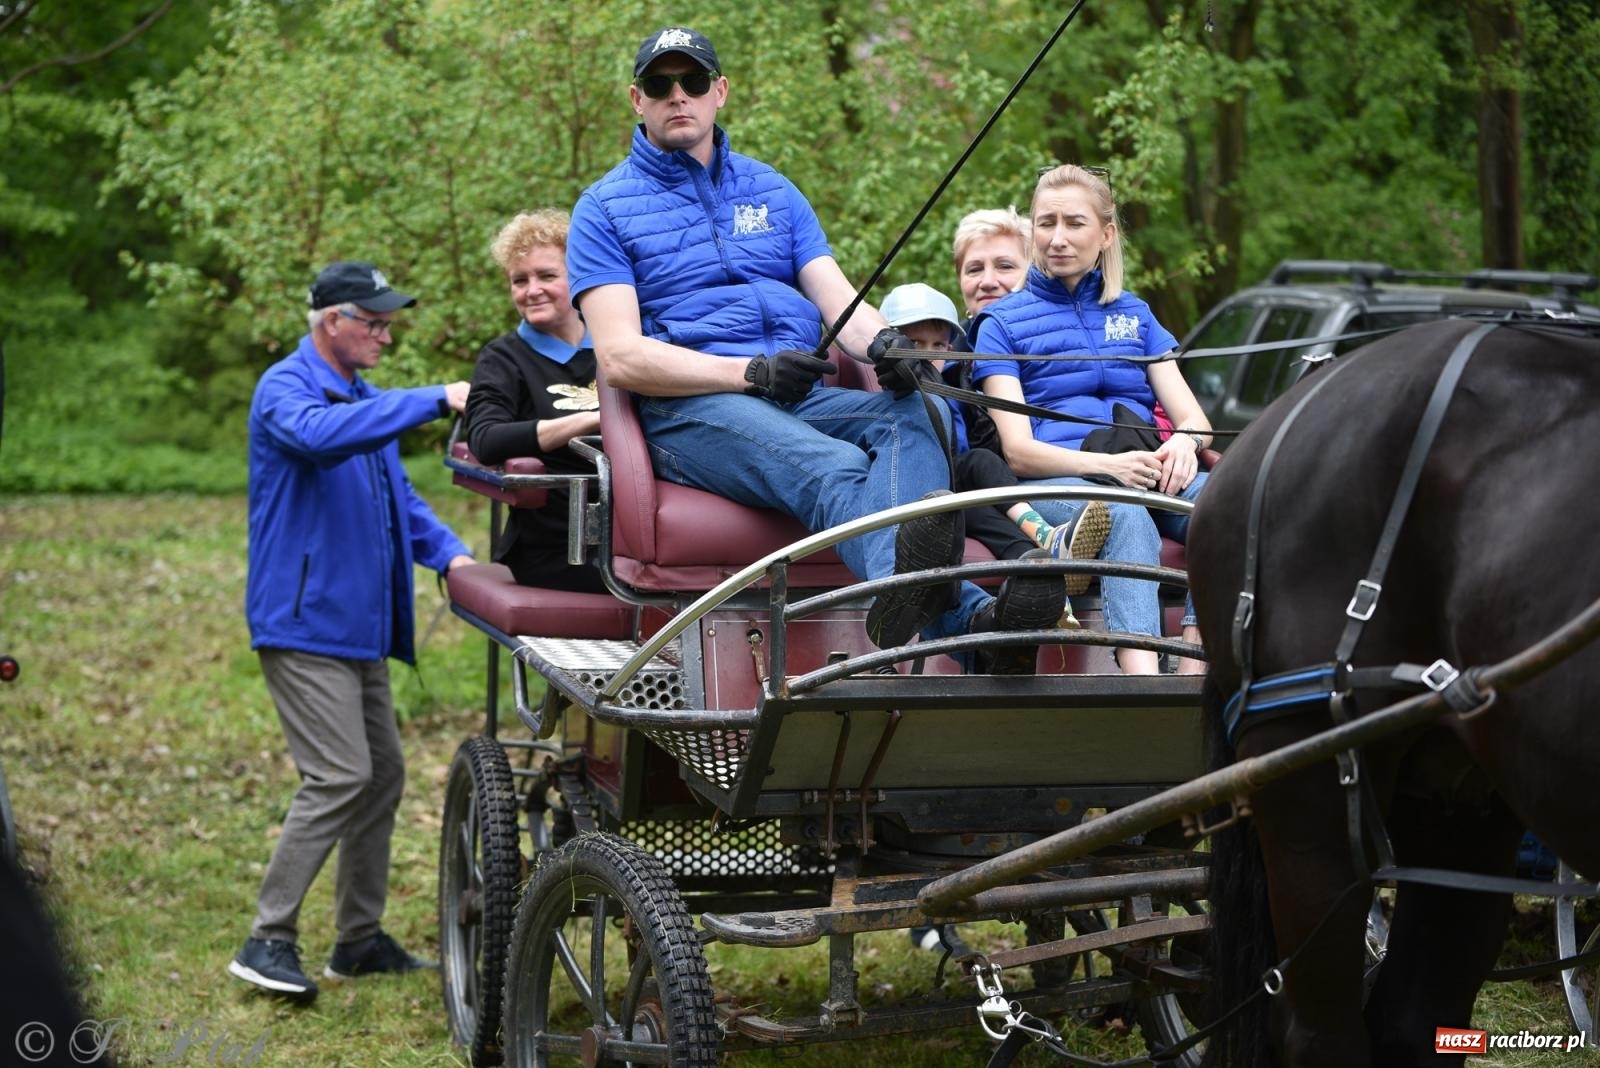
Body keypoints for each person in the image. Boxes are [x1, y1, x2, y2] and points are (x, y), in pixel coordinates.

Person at [565, 26, 1063, 673]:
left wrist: (889, 347)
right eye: (660, 85)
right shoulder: (603, 209)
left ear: (720, 92)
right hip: (689, 407)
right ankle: (947, 607)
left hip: (798, 393)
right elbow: (622, 358)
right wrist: (749, 372)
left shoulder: (775, 191)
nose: (677, 95)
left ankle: (934, 605)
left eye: (692, 82)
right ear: (638, 100)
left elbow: (840, 302)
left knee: (928, 413)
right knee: (831, 467)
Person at [234, 262, 474, 1001]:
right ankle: (266, 939)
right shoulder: (289, 390)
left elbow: (397, 498)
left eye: (387, 321)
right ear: (329, 321)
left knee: (383, 775)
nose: (385, 332)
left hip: (360, 627)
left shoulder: (361, 398)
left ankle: (359, 939)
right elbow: (317, 438)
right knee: (339, 774)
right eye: (372, 321)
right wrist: (433, 399)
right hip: (304, 623)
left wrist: (452, 555)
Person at [973, 166, 1212, 675]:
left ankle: (1196, 666)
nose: (1057, 238)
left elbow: (1194, 419)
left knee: (1229, 498)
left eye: (1074, 223)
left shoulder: (1137, 314)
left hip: (1146, 469)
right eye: (1046, 223)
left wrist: (1184, 447)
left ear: (1105, 234)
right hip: (1058, 479)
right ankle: (1143, 683)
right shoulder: (1000, 324)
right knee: (1123, 513)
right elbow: (1017, 451)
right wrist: (1112, 467)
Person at [877, 281, 1109, 621]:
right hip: (923, 492)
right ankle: (1044, 536)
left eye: (938, 345)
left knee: (995, 516)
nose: (927, 354)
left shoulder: (955, 386)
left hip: (964, 493)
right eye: (913, 344)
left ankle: (1051, 590)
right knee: (976, 475)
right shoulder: (884, 395)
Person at [465, 209, 606, 593]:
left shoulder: (619, 345)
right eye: (519, 280)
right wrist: (591, 420)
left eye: (547, 275)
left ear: (577, 275)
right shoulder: (503, 358)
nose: (532, 290)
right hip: (555, 550)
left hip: (637, 540)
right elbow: (486, 439)